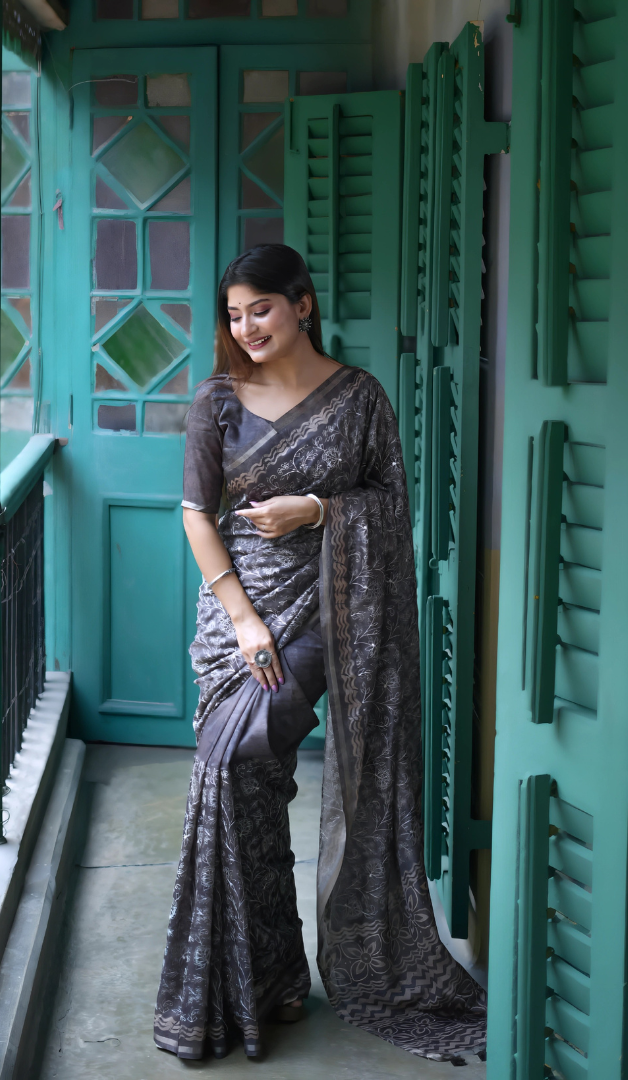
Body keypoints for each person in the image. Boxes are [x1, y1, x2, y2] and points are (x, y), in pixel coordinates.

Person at [154, 244, 487, 1063]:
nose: (246, 327)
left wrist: (317, 509)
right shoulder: (217, 402)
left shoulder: (360, 397)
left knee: (233, 770)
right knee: (245, 788)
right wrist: (241, 618)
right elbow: (198, 514)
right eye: (234, 314)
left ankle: (268, 981)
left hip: (328, 612)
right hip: (241, 621)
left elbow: (390, 504)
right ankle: (271, 983)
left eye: (260, 308)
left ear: (302, 303)